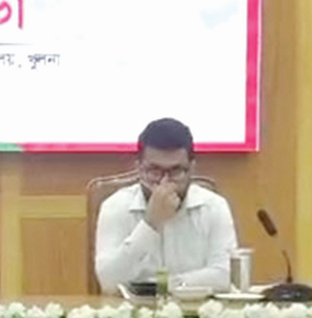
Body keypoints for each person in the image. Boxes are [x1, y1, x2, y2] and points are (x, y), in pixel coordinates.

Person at [94, 118, 238, 294]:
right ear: (139, 168)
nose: (165, 181)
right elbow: (108, 282)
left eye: (176, 171)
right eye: (154, 171)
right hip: (133, 310)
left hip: (197, 309)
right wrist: (150, 224)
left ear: (192, 168)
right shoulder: (115, 206)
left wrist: (161, 285)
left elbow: (225, 275)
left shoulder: (214, 207)